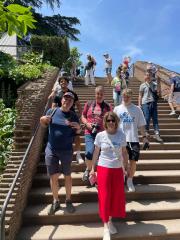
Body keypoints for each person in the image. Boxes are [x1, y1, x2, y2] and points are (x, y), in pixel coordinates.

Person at [40, 92, 81, 215]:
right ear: (61, 100)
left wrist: (78, 128)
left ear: (72, 103)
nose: (67, 101)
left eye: (70, 100)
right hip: (51, 149)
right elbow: (43, 124)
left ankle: (68, 200)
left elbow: (77, 133)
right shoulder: (52, 111)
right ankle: (56, 201)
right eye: (65, 98)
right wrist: (41, 119)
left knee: (67, 175)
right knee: (53, 176)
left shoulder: (73, 116)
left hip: (67, 150)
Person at [90, 112, 128, 240]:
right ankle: (105, 226)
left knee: (115, 197)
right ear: (105, 122)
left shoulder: (121, 135)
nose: (111, 122)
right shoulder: (100, 135)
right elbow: (96, 153)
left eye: (113, 120)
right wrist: (91, 169)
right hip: (104, 168)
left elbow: (124, 153)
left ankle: (110, 220)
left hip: (117, 169)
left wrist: (125, 167)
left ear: (116, 122)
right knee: (105, 197)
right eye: (109, 120)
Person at [114, 88, 149, 192]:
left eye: (128, 96)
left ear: (131, 97)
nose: (125, 98)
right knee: (121, 161)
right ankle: (122, 179)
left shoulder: (137, 109)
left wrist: (144, 138)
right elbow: (112, 124)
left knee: (133, 161)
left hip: (133, 139)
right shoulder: (117, 109)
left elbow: (142, 125)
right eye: (124, 96)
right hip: (120, 139)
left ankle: (130, 180)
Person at [48, 76, 83, 164]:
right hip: (61, 118)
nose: (63, 83)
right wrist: (51, 118)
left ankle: (78, 155)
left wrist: (81, 115)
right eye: (61, 82)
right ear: (59, 84)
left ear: (68, 83)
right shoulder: (58, 95)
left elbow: (78, 105)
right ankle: (61, 155)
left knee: (77, 135)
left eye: (65, 82)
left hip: (72, 116)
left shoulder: (73, 94)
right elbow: (53, 107)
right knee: (63, 136)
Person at [81, 86, 111, 183]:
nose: (99, 96)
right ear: (95, 94)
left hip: (102, 134)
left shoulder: (108, 106)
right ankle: (88, 169)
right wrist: (87, 123)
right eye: (98, 94)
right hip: (89, 133)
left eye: (101, 94)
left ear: (104, 95)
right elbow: (83, 115)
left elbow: (112, 119)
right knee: (89, 152)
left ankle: (96, 173)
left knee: (100, 155)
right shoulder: (89, 104)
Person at [139, 72, 163, 142]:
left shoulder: (154, 84)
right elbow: (140, 95)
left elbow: (159, 92)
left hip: (153, 102)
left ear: (151, 77)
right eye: (147, 75)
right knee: (147, 117)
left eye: (149, 75)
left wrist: (158, 81)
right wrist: (139, 104)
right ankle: (146, 131)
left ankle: (157, 134)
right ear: (144, 77)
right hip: (145, 103)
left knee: (155, 119)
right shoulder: (142, 85)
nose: (148, 76)